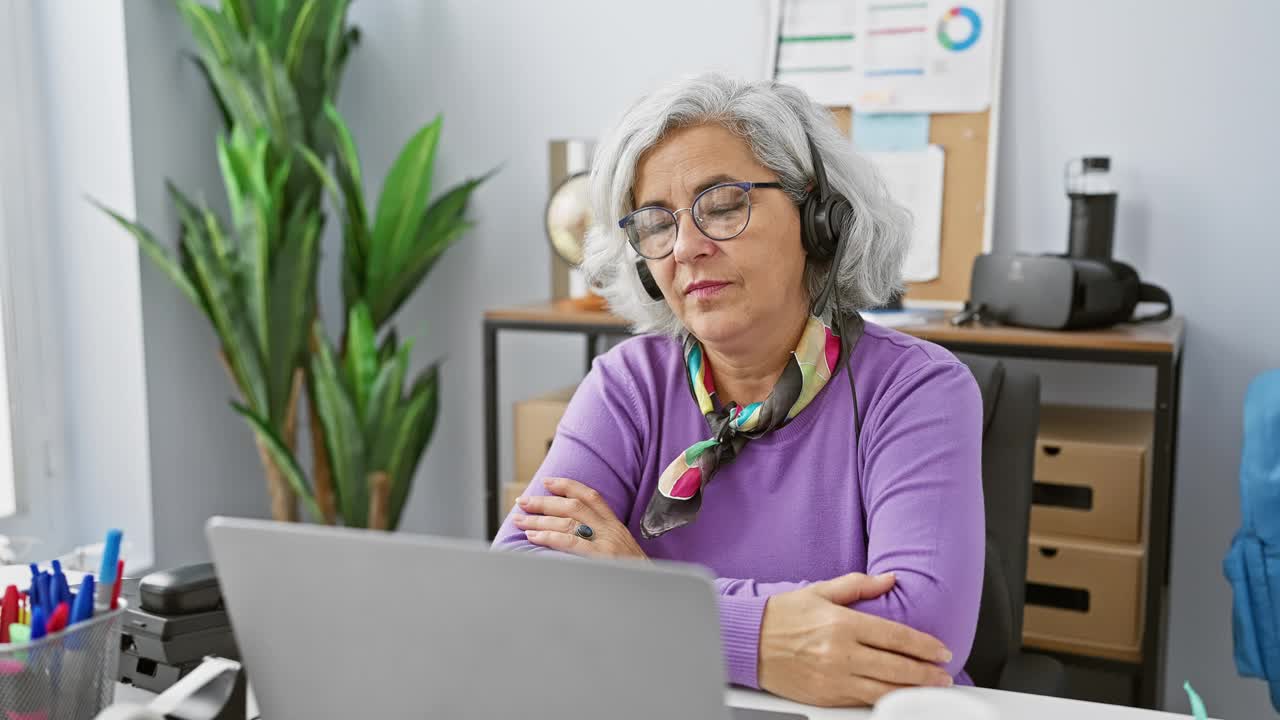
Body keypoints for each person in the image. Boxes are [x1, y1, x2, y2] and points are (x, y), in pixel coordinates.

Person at [492, 73, 984, 708]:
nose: (688, 247)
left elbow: (920, 634)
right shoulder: (628, 384)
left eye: (722, 205)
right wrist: (766, 639)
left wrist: (647, 595)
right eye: (657, 223)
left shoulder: (918, 389)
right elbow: (517, 584)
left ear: (818, 218)